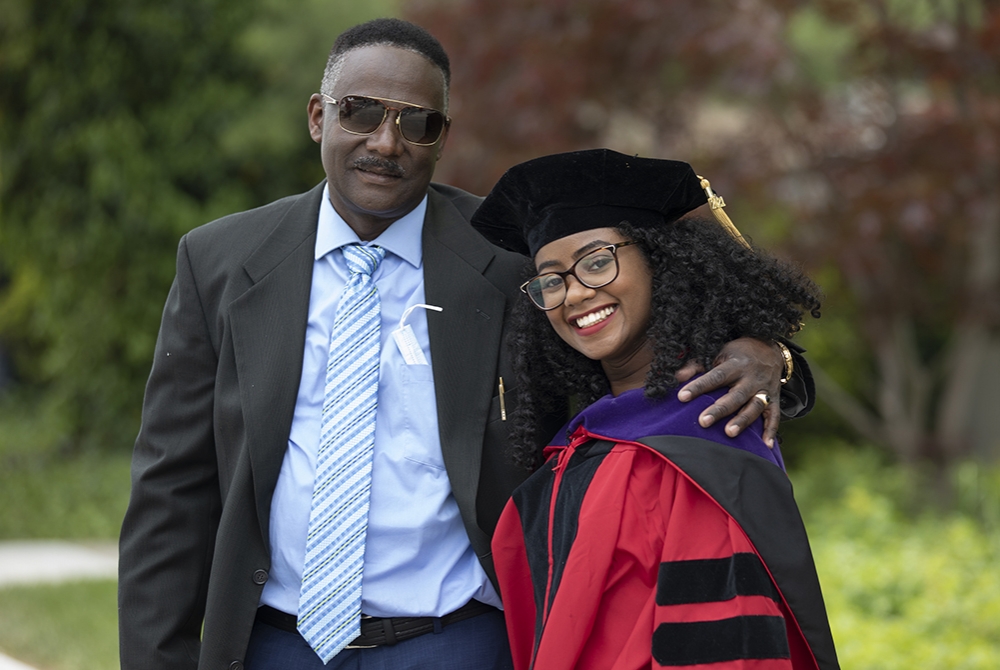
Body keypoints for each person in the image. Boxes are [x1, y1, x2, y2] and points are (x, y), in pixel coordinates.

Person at [118, 19, 816, 670]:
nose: (387, 143)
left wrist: (767, 354)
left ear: (442, 137)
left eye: (416, 123)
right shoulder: (220, 262)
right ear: (317, 115)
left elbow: (645, 336)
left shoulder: (512, 261)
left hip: (459, 642)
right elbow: (173, 492)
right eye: (361, 111)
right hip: (275, 643)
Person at [471, 149, 839, 669]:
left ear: (660, 261)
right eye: (552, 280)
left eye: (598, 261)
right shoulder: (580, 446)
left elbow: (723, 649)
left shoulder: (704, 439)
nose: (576, 292)